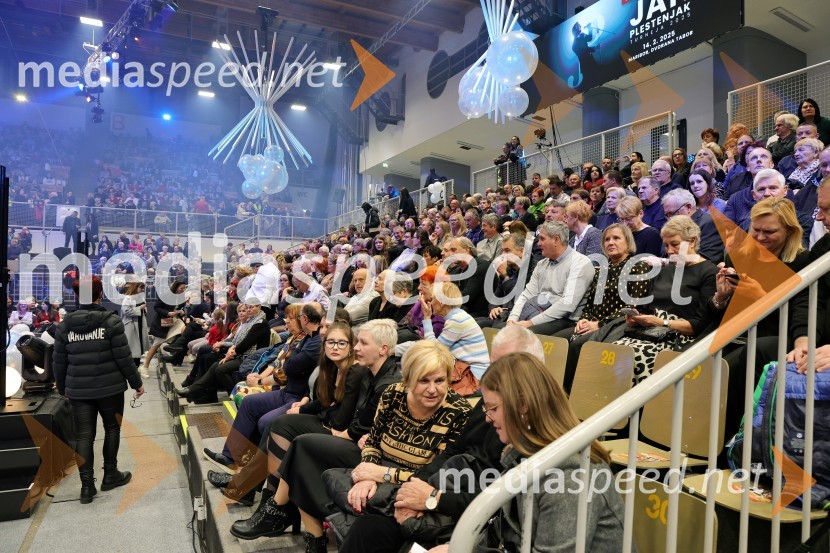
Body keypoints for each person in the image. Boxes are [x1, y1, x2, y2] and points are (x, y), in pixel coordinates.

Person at [229, 320, 403, 545]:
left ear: (383, 349)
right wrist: (308, 408)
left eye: (359, 343)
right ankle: (274, 511)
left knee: (298, 444)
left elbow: (354, 423)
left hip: (364, 448)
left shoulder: (375, 378)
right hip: (351, 436)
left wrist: (343, 432)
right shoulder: (367, 372)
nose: (356, 347)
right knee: (281, 428)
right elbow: (328, 404)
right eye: (330, 342)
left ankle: (274, 509)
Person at [429, 352, 625, 552]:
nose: (488, 418)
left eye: (492, 408)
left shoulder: (571, 477)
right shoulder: (524, 455)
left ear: (523, 405)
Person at [709, 197, 810, 437]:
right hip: (734, 333)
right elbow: (714, 312)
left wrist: (763, 298)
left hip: (768, 336)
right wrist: (721, 296)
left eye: (770, 231)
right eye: (756, 230)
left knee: (726, 370)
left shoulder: (803, 262)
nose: (761, 237)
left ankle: (727, 443)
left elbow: (800, 316)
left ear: (789, 231)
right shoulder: (739, 256)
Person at [53, 276, 144, 504]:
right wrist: (137, 383)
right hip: (110, 388)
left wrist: (64, 388)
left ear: (76, 296)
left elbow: (59, 362)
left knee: (84, 435)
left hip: (78, 390)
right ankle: (110, 475)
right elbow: (123, 358)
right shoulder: (111, 322)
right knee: (112, 428)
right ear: (100, 294)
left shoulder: (65, 326)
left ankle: (86, 487)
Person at [201, 302, 322, 469]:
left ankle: (250, 469)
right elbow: (283, 364)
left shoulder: (314, 342)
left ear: (305, 319)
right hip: (286, 391)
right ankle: (230, 457)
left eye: (291, 318)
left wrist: (262, 379)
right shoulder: (304, 339)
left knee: (265, 421)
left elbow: (288, 367)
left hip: (296, 396)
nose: (286, 321)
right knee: (249, 402)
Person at [613, 216, 718, 383]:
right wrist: (636, 317)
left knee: (634, 356)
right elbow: (648, 306)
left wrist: (662, 323)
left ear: (691, 241)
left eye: (675, 244)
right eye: (666, 245)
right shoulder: (666, 269)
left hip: (678, 336)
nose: (669, 251)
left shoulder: (709, 272)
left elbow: (699, 325)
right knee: (612, 354)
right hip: (649, 331)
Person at [506, 221, 594, 335]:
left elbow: (567, 305)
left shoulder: (580, 263)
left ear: (556, 240)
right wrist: (512, 320)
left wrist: (531, 322)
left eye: (542, 239)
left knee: (525, 333)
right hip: (538, 313)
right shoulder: (541, 264)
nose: (538, 243)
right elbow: (526, 295)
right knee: (502, 328)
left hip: (567, 319)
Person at [420, 281, 489, 381]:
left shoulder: (457, 320)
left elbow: (434, 350)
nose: (430, 303)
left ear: (441, 301)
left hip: (472, 376)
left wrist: (427, 318)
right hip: (466, 371)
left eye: (432, 299)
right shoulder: (457, 316)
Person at [662, 188, 725, 263]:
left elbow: (706, 258)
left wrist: (663, 261)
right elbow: (664, 254)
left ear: (688, 207)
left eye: (672, 213)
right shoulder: (673, 228)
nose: (670, 219)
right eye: (667, 215)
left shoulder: (710, 223)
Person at [142, 279, 188, 377]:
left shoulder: (183, 297)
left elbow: (180, 309)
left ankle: (174, 346)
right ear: (176, 287)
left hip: (175, 321)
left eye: (184, 288)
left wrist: (182, 312)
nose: (183, 290)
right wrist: (167, 313)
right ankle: (145, 367)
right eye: (181, 288)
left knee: (185, 329)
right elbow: (156, 307)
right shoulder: (166, 295)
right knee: (156, 345)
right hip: (163, 323)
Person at [120, 281, 149, 368]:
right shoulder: (128, 298)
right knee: (132, 346)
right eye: (140, 287)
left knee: (139, 344)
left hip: (140, 323)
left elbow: (144, 309)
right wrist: (139, 308)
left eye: (143, 288)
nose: (142, 289)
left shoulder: (141, 297)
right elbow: (125, 311)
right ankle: (132, 365)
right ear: (135, 287)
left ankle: (136, 363)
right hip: (131, 324)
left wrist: (144, 309)